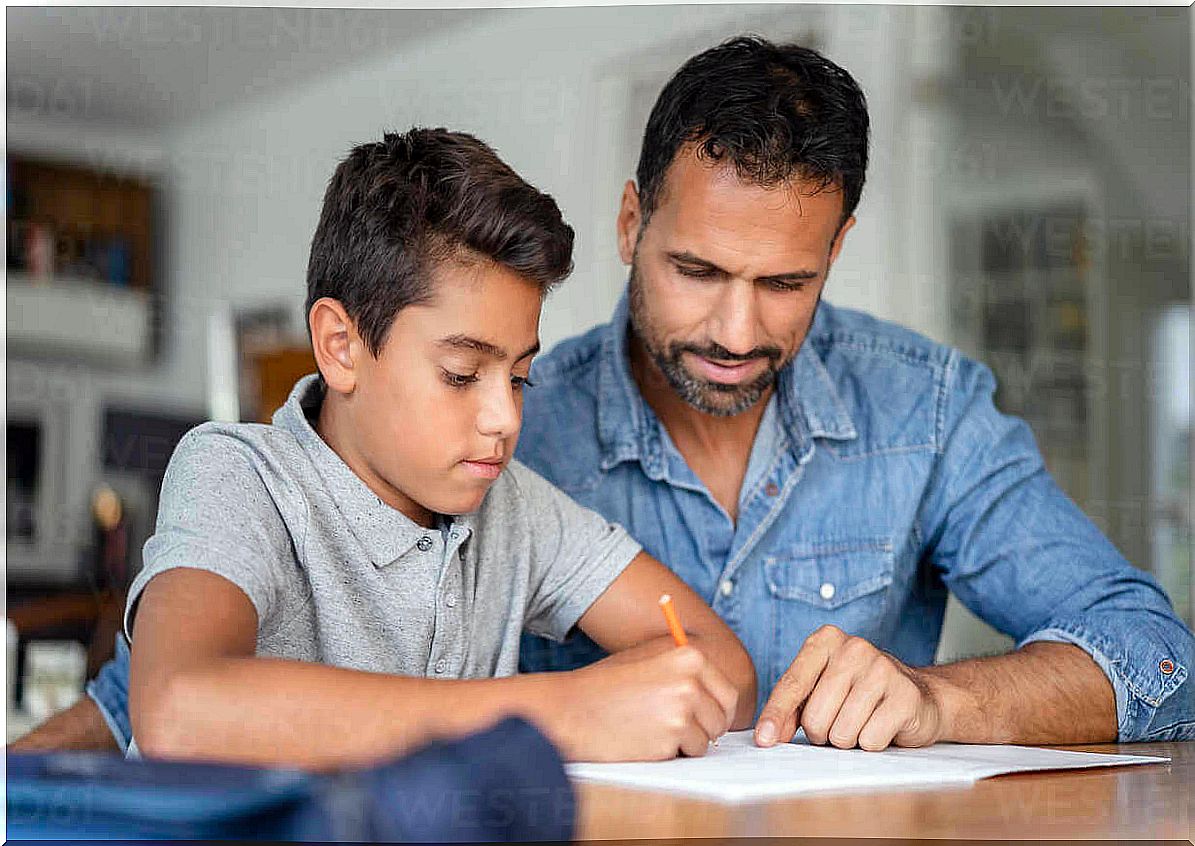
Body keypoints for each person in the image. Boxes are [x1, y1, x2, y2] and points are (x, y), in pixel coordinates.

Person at [14, 36, 1192, 756]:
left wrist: (939, 704)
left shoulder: (923, 411)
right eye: (696, 271)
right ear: (633, 226)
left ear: (837, 251)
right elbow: (163, 699)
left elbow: (1160, 661)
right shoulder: (426, 455)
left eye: (786, 282)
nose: (738, 329)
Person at [13, 128, 757, 770]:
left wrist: (654, 696)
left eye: (520, 378)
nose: (502, 418)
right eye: (462, 374)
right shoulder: (238, 475)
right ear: (341, 346)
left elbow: (722, 667)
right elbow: (179, 710)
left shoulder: (513, 508)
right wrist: (562, 710)